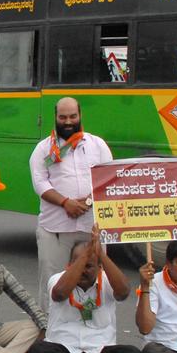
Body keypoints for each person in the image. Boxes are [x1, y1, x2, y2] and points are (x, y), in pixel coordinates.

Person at [25, 234, 139, 353]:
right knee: (38, 351)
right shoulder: (57, 279)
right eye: (79, 264)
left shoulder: (107, 281)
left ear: (99, 267)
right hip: (64, 351)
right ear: (69, 265)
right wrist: (86, 254)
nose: (83, 271)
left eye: (89, 266)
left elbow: (123, 292)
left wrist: (102, 255)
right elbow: (60, 294)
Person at [29, 97, 112, 308]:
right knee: (53, 282)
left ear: (80, 116)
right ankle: (48, 331)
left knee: (93, 280)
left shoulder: (97, 145)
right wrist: (66, 202)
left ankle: (90, 326)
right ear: (55, 117)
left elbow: (108, 179)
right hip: (55, 229)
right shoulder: (43, 149)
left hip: (89, 227)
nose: (68, 122)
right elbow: (39, 183)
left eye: (72, 116)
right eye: (63, 117)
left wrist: (89, 201)